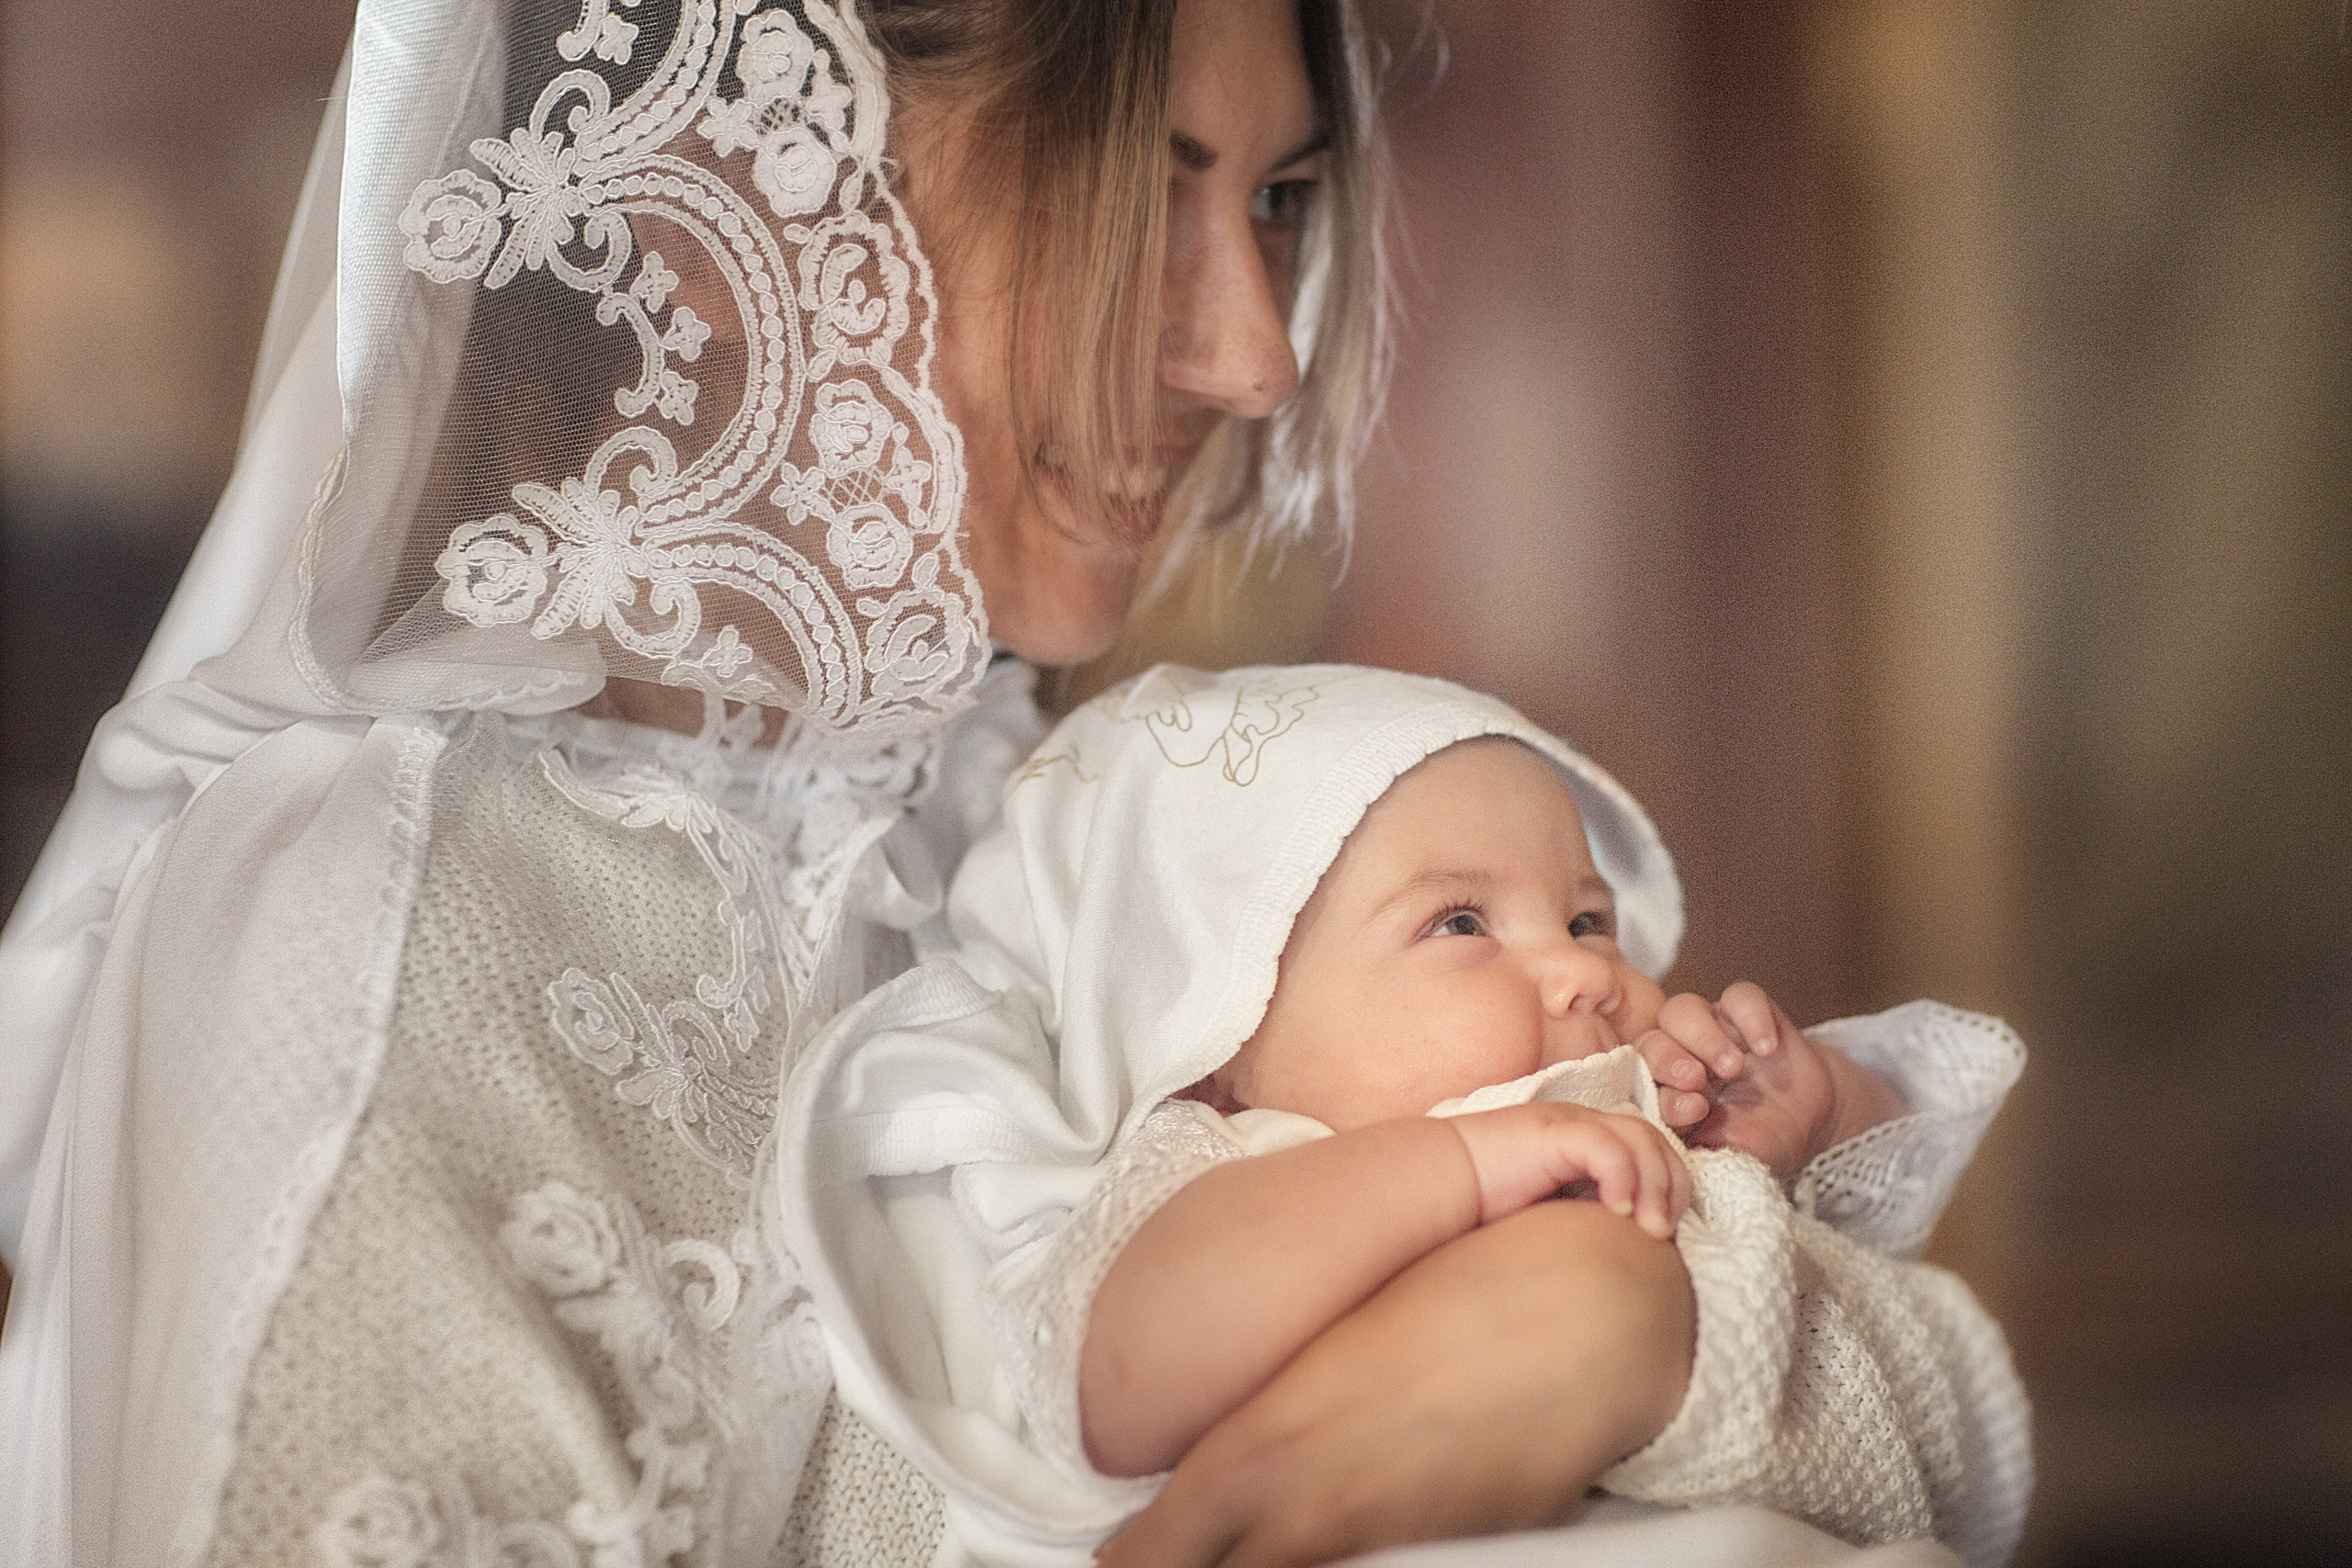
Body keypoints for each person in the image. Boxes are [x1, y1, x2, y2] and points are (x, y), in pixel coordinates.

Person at [0, 3, 2018, 1564]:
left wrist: (1614, 1327)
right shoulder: (369, 918)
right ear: (744, 186)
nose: (1248, 354)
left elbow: (1945, 1414)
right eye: (1145, 188)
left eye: (1280, 204)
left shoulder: (1070, 842)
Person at [782, 663, 2030, 1568]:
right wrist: (1460, 1165)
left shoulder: (1641, 1124)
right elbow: (1115, 1384)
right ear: (1224, 1038)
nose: (1588, 971)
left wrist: (1797, 1125)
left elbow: (1877, 1335)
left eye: (1588, 918)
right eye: (1462, 924)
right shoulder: (1234, 1157)